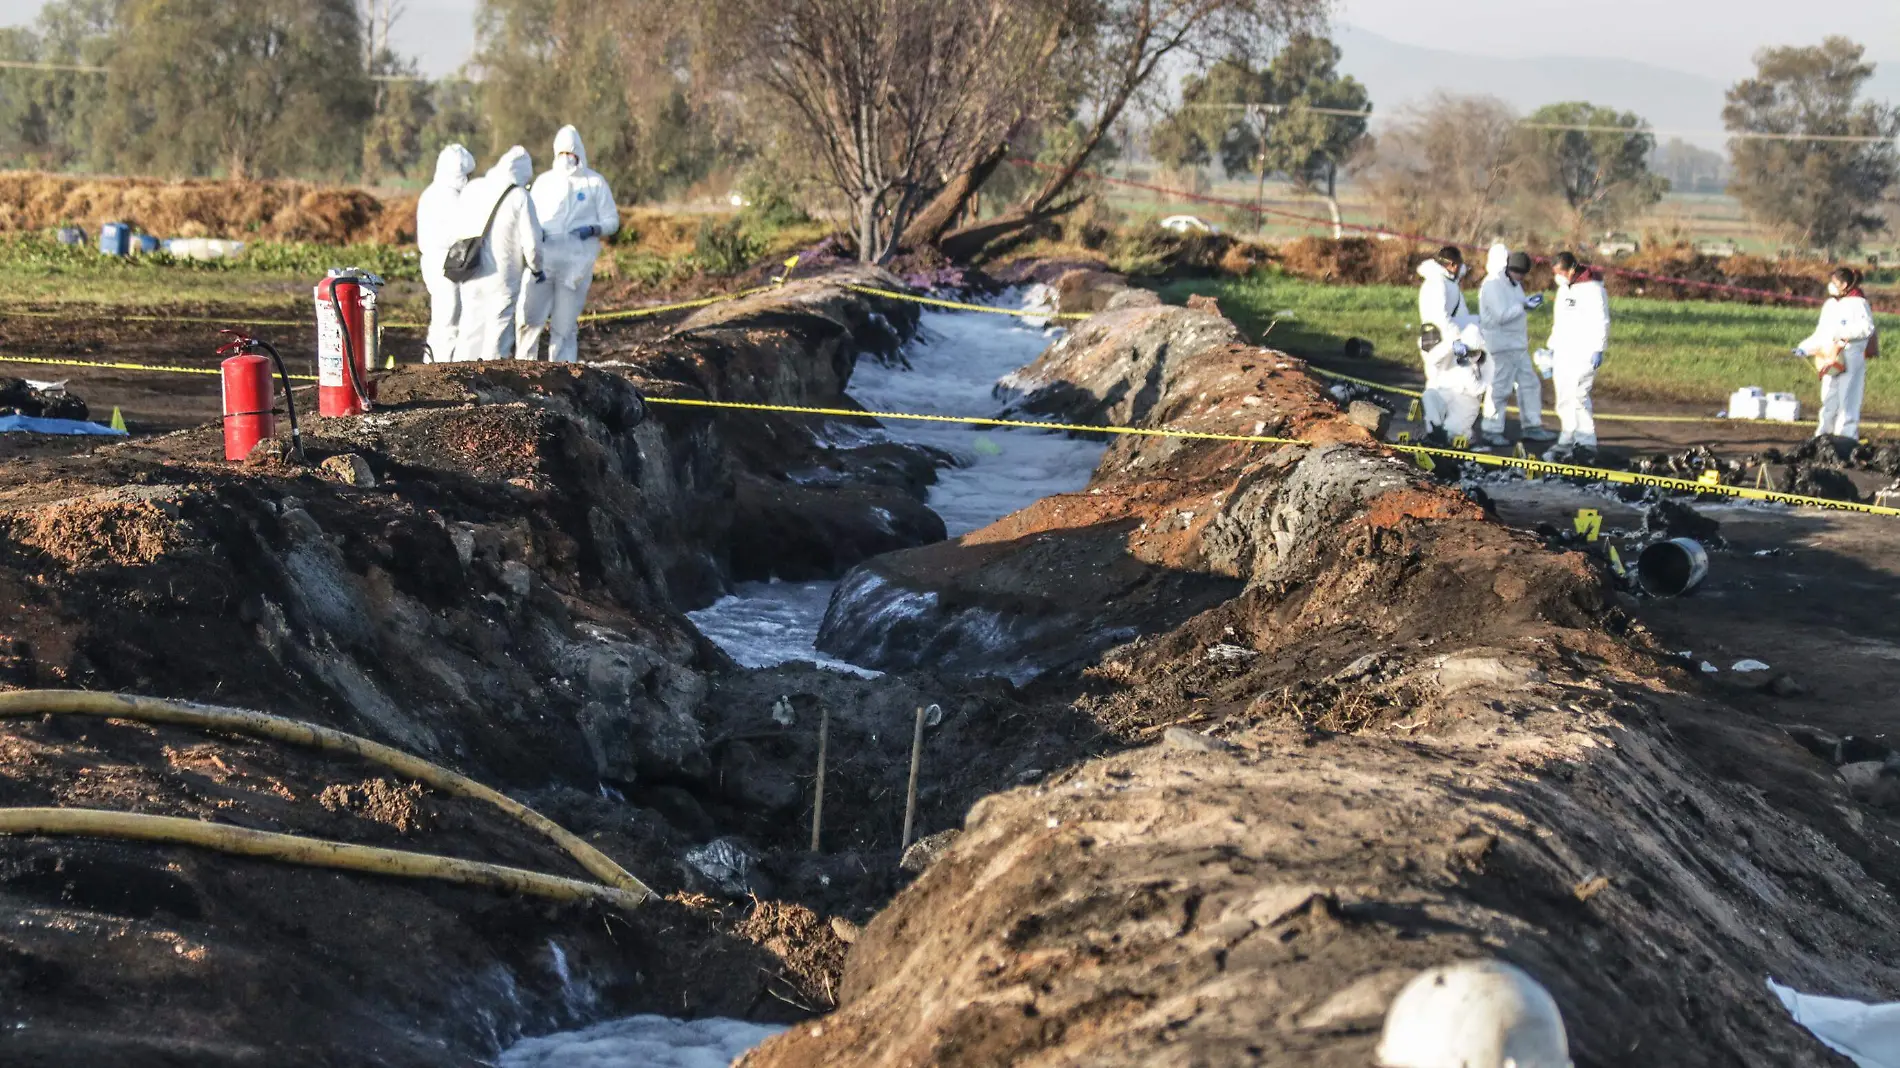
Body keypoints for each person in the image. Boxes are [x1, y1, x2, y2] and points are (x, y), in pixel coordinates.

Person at [517, 126, 620, 362]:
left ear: (579, 153)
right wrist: (536, 236)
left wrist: (595, 229)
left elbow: (612, 220)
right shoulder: (544, 182)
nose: (567, 158)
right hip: (543, 263)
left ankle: (563, 371)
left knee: (564, 326)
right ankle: (522, 367)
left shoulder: (594, 183)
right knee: (529, 319)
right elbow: (529, 218)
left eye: (571, 153)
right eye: (562, 153)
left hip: (576, 267)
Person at [452, 146, 544, 362]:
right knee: (497, 337)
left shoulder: (473, 188)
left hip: (471, 270)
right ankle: (489, 387)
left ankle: (457, 382)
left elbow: (458, 227)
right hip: (502, 277)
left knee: (469, 331)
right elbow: (532, 244)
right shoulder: (520, 195)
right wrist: (537, 269)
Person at [1536, 251, 1610, 464]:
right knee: (1563, 395)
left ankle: (1586, 441)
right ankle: (1567, 436)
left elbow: (1601, 320)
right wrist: (1550, 348)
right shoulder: (1564, 289)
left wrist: (1598, 348)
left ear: (1572, 269)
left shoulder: (1593, 289)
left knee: (1579, 394)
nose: (1557, 276)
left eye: (1560, 272)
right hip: (1563, 351)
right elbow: (1559, 323)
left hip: (1584, 351)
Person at [1478, 244, 1552, 446]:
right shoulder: (1492, 284)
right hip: (1500, 346)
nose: (1519, 276)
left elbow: (1515, 308)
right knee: (1500, 387)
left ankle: (1532, 426)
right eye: (1516, 271)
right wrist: (1523, 305)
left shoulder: (1513, 284)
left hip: (1517, 345)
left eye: (1522, 273)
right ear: (1505, 266)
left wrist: (1526, 303)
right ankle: (1491, 429)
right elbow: (1501, 315)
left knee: (1530, 384)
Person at [1795, 267, 1878, 442]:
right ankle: (1823, 435)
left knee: (1848, 398)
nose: (1831, 286)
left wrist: (1843, 334)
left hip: (1850, 356)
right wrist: (1805, 347)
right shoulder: (1830, 305)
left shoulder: (1859, 303)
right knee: (1829, 396)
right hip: (1830, 357)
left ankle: (1846, 438)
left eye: (1835, 283)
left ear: (1845, 284)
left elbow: (1867, 328)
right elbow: (1821, 333)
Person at [416, 144, 475, 364]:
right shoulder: (448, 197)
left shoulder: (431, 193)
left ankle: (433, 364)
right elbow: (460, 232)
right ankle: (440, 367)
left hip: (437, 262)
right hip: (446, 263)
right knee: (449, 319)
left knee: (443, 320)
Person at [1416, 246, 1475, 436]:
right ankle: (1434, 430)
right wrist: (1456, 337)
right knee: (1436, 383)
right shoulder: (1437, 284)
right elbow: (1439, 317)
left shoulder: (1447, 281)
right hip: (1438, 340)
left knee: (1446, 381)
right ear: (1451, 265)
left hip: (1444, 339)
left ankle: (1442, 430)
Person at [1422, 323, 1494, 446]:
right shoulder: (1452, 352)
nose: (1470, 356)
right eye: (1468, 352)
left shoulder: (1487, 361)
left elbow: (1477, 389)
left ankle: (1466, 437)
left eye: (1473, 353)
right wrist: (1450, 344)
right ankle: (1435, 431)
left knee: (1452, 433)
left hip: (1466, 400)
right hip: (1445, 392)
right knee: (1429, 395)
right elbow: (1431, 359)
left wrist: (1468, 369)